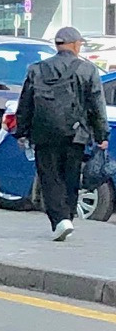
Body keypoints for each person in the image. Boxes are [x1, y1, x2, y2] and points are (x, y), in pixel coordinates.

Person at [15, 25, 109, 241]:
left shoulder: (36, 69)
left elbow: (26, 103)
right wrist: (101, 135)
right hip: (75, 134)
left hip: (43, 133)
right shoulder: (87, 70)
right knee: (70, 176)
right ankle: (67, 216)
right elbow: (96, 104)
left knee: (49, 177)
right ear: (75, 45)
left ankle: (60, 220)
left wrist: (22, 131)